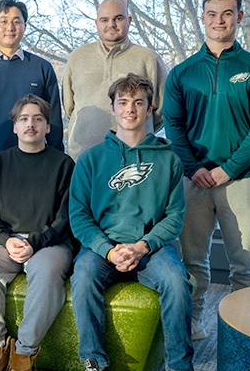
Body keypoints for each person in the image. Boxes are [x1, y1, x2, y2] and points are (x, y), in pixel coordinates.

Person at [163, 0, 250, 341]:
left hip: (242, 179)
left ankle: (242, 332)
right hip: (193, 179)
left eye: (227, 14)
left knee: (244, 264)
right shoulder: (182, 73)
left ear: (239, 17)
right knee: (193, 261)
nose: (219, 21)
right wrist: (194, 167)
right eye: (212, 14)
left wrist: (227, 169)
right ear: (203, 17)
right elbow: (173, 125)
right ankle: (193, 323)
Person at [69, 74, 193, 371]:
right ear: (112, 108)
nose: (130, 109)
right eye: (123, 102)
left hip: (151, 248)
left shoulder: (169, 159)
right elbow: (79, 216)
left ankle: (179, 366)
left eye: (139, 103)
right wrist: (109, 251)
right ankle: (94, 361)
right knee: (83, 275)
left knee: (177, 281)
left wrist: (141, 246)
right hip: (102, 250)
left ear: (150, 109)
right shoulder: (90, 159)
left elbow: (174, 216)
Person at [0, 95, 74, 371]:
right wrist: (7, 240)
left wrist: (35, 242)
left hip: (49, 243)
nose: (31, 125)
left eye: (38, 119)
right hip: (6, 242)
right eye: (24, 119)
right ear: (14, 126)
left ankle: (24, 355)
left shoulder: (64, 165)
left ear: (48, 127)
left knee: (46, 269)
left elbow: (66, 219)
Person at [0, 0, 64, 191]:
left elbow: (55, 122)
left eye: (17, 21)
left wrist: (55, 165)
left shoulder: (42, 68)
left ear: (25, 26)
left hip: (38, 167)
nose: (10, 27)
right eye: (4, 21)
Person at [62, 0, 168, 160]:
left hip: (135, 159)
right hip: (82, 157)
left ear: (129, 20)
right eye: (104, 20)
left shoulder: (149, 59)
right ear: (96, 23)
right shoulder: (77, 57)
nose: (111, 24)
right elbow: (70, 107)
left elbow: (161, 110)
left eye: (118, 18)